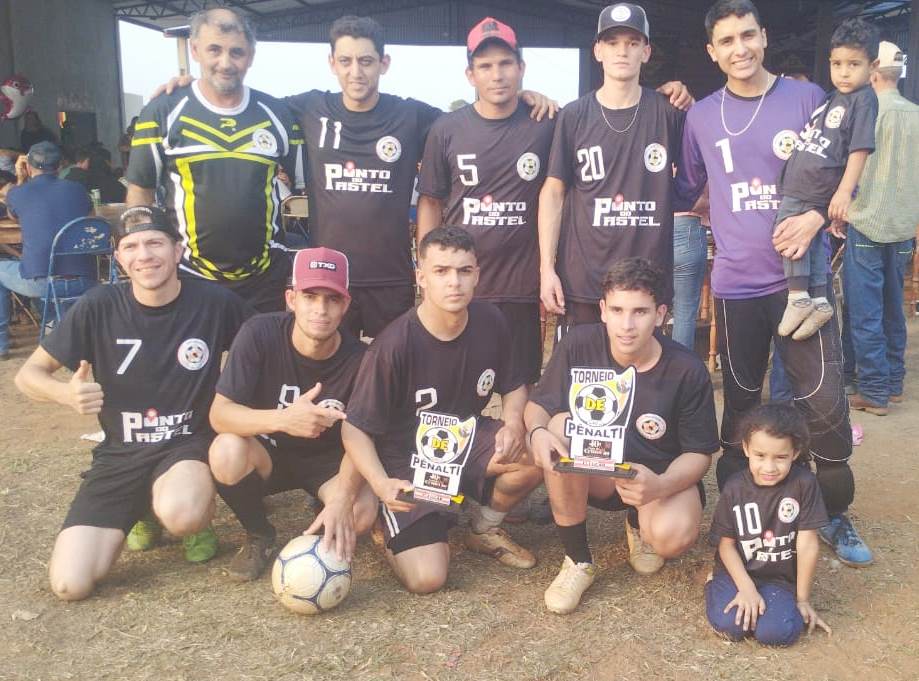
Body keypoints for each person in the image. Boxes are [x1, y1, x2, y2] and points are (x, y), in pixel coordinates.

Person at [674, 0, 871, 566]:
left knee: (825, 410)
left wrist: (817, 217)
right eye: (727, 41)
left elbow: (847, 173)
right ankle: (741, 518)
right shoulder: (701, 117)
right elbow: (688, 186)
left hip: (800, 288)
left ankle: (833, 518)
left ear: (764, 37)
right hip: (737, 288)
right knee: (739, 411)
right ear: (712, 52)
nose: (740, 49)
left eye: (748, 36)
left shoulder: (808, 99)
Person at [13, 205, 249, 600]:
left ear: (177, 250)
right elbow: (28, 375)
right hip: (120, 453)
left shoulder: (214, 302)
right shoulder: (97, 305)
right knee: (71, 585)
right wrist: (65, 393)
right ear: (119, 257)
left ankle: (187, 514)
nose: (145, 255)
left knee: (183, 514)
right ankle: (140, 508)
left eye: (155, 242)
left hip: (185, 445)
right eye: (131, 246)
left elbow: (265, 345)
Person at [343, 225, 543, 594]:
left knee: (534, 451)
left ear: (477, 275)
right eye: (441, 271)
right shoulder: (393, 346)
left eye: (464, 271)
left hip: (463, 441)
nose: (455, 282)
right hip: (408, 462)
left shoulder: (491, 321)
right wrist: (380, 483)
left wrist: (514, 420)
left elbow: (515, 386)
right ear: (421, 278)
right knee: (427, 578)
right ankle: (387, 522)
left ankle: (483, 529)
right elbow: (355, 428)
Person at [525, 257, 719, 614]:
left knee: (671, 538)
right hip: (598, 471)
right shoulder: (578, 345)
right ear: (602, 310)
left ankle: (639, 524)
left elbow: (699, 453)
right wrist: (536, 432)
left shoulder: (686, 369)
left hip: (654, 477)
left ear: (660, 314)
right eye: (617, 310)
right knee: (557, 428)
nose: (626, 325)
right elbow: (539, 404)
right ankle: (578, 559)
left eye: (640, 312)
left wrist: (660, 486)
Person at [208, 247, 377, 581]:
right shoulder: (259, 333)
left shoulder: (362, 359)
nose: (320, 309)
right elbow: (220, 414)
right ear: (291, 298)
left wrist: (342, 498)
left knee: (361, 514)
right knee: (225, 451)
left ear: (345, 305)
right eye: (310, 296)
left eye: (332, 299)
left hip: (328, 461)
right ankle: (259, 534)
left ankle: (319, 519)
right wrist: (284, 419)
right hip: (269, 452)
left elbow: (362, 435)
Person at [126, 8, 305, 313]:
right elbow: (140, 190)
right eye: (214, 50)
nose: (226, 63)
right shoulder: (162, 112)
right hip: (188, 276)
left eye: (236, 52)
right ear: (195, 50)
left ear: (250, 55)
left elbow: (307, 189)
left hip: (265, 278)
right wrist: (143, 255)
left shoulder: (279, 115)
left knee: (262, 360)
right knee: (192, 361)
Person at [416, 16, 556, 386]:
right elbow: (430, 201)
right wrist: (428, 269)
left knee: (521, 384)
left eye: (506, 63)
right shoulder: (446, 129)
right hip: (460, 285)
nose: (497, 75)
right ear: (470, 74)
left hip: (521, 287)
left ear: (521, 68)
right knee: (451, 385)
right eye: (486, 66)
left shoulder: (545, 123)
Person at [539, 3, 687, 329]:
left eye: (633, 43)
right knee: (583, 377)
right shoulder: (574, 115)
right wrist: (546, 269)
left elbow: (698, 174)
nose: (623, 51)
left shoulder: (669, 112)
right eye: (612, 42)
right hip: (584, 282)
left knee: (643, 377)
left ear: (646, 52)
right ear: (597, 50)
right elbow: (553, 191)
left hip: (648, 284)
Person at [773, 18, 878, 341]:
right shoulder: (832, 97)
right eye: (837, 64)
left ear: (872, 67)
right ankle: (818, 299)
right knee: (813, 245)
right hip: (803, 183)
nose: (844, 72)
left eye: (854, 64)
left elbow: (860, 149)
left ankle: (797, 296)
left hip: (815, 187)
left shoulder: (864, 100)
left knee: (787, 235)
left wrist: (844, 193)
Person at [706, 403, 831, 646]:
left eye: (781, 457)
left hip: (779, 578)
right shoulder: (734, 488)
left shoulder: (804, 484)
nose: (769, 467)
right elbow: (726, 546)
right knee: (731, 625)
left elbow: (807, 544)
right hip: (736, 573)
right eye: (760, 455)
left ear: (795, 453)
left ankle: (776, 605)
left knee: (776, 633)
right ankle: (713, 583)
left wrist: (802, 599)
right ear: (746, 449)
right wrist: (746, 587)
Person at [840, 41, 919, 417]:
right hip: (904, 227)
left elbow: (857, 166)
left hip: (867, 221)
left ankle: (873, 389)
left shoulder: (868, 111)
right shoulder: (916, 114)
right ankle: (894, 382)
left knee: (864, 310)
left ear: (872, 72)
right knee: (893, 306)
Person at [1, 142, 96, 360]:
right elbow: (90, 218)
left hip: (43, 282)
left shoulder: (18, 193)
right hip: (85, 279)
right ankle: (57, 327)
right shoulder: (77, 189)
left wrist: (20, 177)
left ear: (28, 166)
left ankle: (1, 345)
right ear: (60, 165)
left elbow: (14, 216)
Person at [671, 186, 710, 350]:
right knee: (684, 311)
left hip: (652, 224)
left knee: (646, 307)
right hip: (689, 225)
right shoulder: (698, 161)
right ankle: (679, 371)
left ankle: (644, 371)